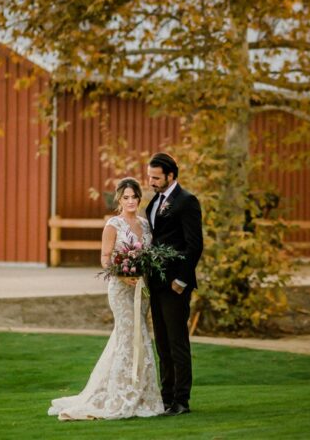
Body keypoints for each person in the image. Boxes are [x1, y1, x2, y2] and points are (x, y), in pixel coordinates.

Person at [48, 177, 163, 421]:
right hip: (120, 290)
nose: (130, 201)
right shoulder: (113, 225)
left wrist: (141, 271)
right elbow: (105, 257)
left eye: (134, 197)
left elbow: (150, 255)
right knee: (128, 335)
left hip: (141, 290)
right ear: (119, 200)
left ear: (139, 199)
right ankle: (121, 394)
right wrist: (122, 274)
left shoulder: (145, 224)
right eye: (126, 197)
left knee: (140, 334)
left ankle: (141, 393)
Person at [145, 153, 203, 416]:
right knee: (162, 344)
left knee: (177, 342)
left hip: (175, 285)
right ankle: (165, 398)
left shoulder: (187, 201)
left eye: (156, 177)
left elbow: (194, 245)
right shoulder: (154, 202)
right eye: (149, 177)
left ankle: (181, 400)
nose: (151, 182)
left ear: (171, 176)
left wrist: (181, 280)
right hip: (156, 284)